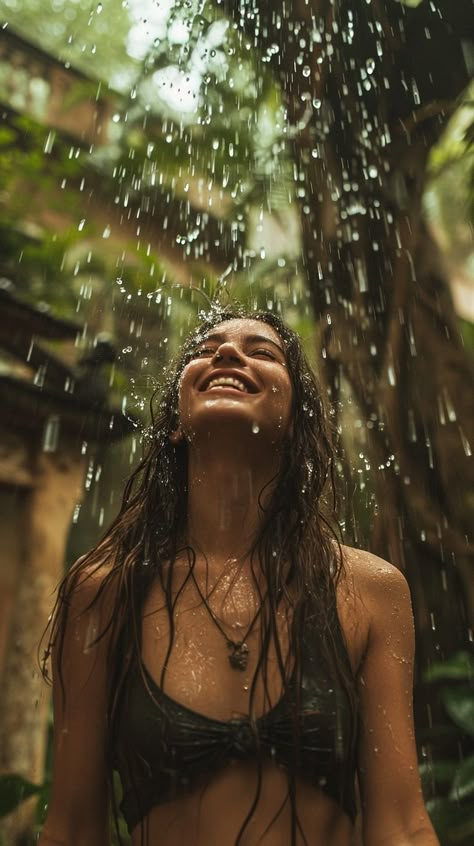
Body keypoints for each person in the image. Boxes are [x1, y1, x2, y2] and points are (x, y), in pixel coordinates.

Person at [39, 304, 439, 846]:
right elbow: (72, 828)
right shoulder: (104, 591)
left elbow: (402, 828)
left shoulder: (368, 590)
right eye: (206, 350)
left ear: (298, 421)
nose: (227, 352)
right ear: (176, 425)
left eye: (262, 352)